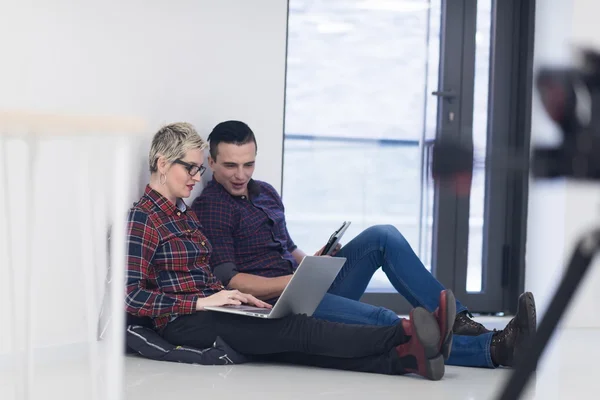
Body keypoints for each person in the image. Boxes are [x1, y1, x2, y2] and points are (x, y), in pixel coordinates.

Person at [191, 120, 537, 369]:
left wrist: (315, 261)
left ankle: (461, 320)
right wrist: (295, 281)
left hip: (305, 284)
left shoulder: (265, 192)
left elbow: (287, 248)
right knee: (386, 319)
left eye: (248, 164)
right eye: (230, 166)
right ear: (211, 163)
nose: (241, 175)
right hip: (280, 303)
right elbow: (230, 281)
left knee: (382, 236)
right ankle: (496, 348)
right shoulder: (212, 206)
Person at [124, 122, 457, 380]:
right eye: (191, 169)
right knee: (297, 329)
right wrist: (201, 301)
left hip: (215, 307)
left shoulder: (184, 214)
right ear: (163, 163)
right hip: (184, 321)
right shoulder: (143, 218)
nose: (197, 177)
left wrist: (236, 297)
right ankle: (405, 332)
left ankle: (404, 359)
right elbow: (130, 295)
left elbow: (206, 276)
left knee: (292, 347)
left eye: (199, 169)